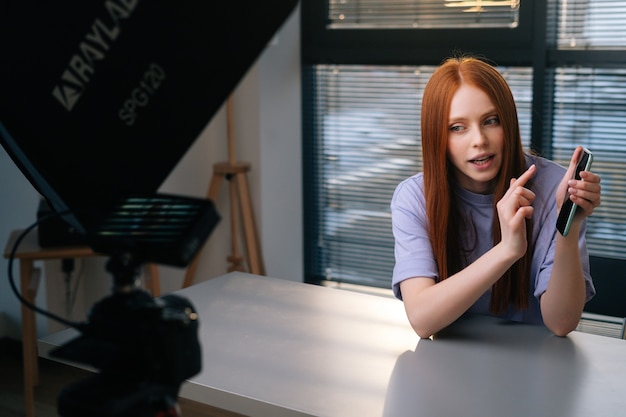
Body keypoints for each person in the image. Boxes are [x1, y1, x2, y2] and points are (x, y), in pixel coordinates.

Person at [390, 55, 602, 338]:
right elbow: (422, 319)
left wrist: (569, 224)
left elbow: (562, 322)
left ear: (509, 123)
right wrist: (507, 250)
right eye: (457, 127)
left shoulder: (555, 188)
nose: (479, 139)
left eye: (491, 121)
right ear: (436, 136)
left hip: (536, 368)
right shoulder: (414, 197)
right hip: (449, 366)